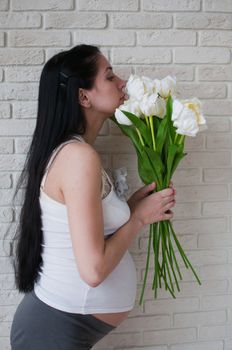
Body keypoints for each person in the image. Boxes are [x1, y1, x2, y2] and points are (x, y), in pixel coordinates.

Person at [9, 44, 176, 349]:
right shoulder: (78, 157)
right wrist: (138, 219)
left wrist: (131, 208)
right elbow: (94, 270)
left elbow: (86, 233)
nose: (123, 82)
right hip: (53, 329)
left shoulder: (75, 152)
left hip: (62, 325)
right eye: (110, 76)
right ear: (83, 96)